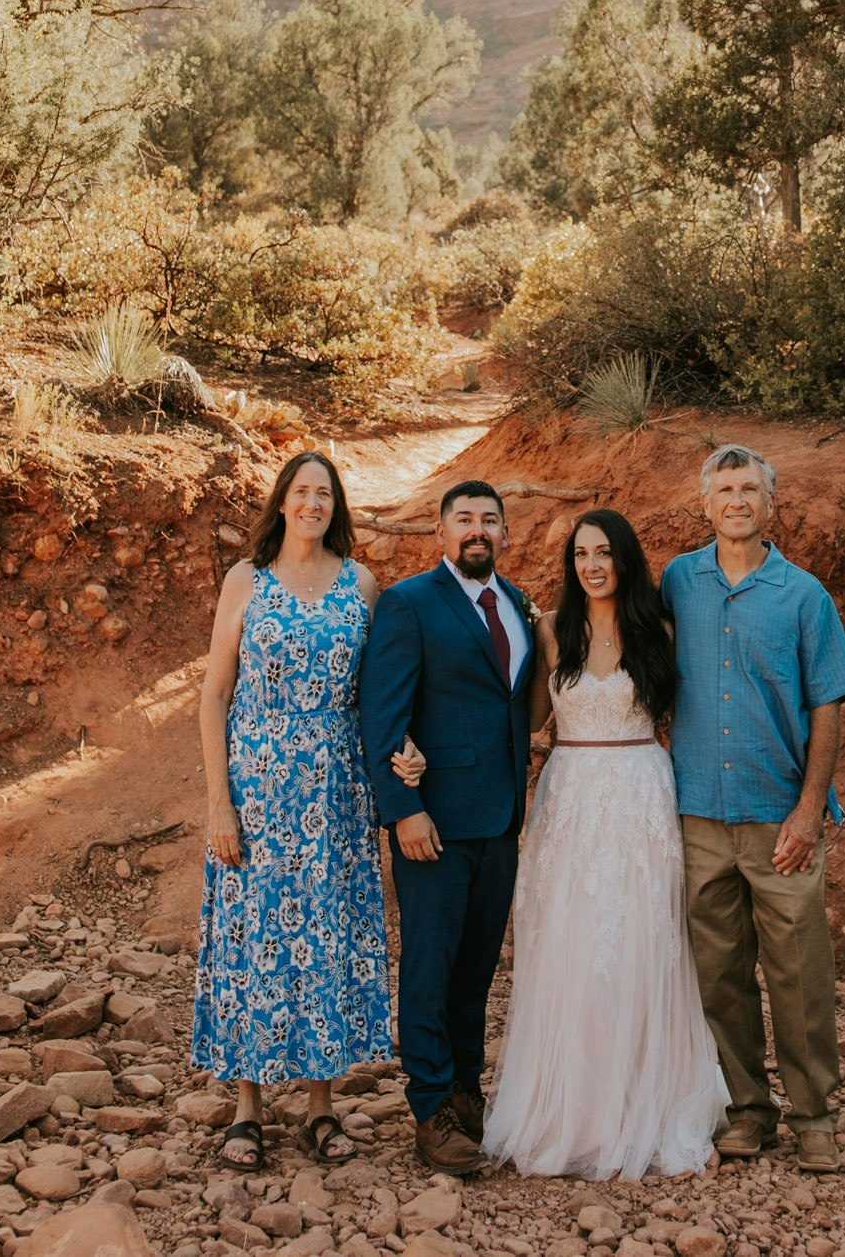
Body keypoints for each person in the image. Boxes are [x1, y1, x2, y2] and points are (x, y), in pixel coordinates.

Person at [192, 449, 421, 1170]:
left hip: (336, 790)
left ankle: (322, 1108)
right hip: (257, 790)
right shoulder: (246, 581)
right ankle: (249, 1107)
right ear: (283, 502)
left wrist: (407, 747)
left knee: (325, 938)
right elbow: (214, 694)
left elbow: (383, 694)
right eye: (302, 492)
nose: (314, 504)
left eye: (325, 494)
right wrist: (218, 803)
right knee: (254, 938)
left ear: (335, 507)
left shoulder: (364, 584)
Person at [482, 509, 724, 1180]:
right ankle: (572, 1110)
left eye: (604, 553)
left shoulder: (660, 632)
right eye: (582, 554)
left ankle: (642, 1103)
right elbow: (527, 717)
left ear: (624, 560)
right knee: (571, 944)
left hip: (641, 796)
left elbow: (696, 716)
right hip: (570, 799)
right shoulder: (553, 632)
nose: (592, 565)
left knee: (644, 942)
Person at [662, 444, 845, 1176]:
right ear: (706, 502)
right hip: (699, 818)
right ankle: (748, 1110)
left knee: (799, 975)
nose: (738, 500)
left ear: (770, 504)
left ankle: (816, 1116)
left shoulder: (804, 595)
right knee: (719, 975)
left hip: (780, 817)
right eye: (725, 489)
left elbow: (828, 706)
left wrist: (810, 811)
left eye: (750, 489)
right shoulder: (677, 582)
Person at [359, 479, 536, 1176]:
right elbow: (382, 718)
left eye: (489, 520)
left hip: (500, 821)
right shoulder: (409, 604)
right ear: (439, 533)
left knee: (475, 972)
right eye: (463, 519)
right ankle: (429, 1111)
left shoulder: (516, 604)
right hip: (431, 823)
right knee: (430, 970)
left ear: (504, 533)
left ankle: (466, 1096)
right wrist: (403, 811)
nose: (477, 530)